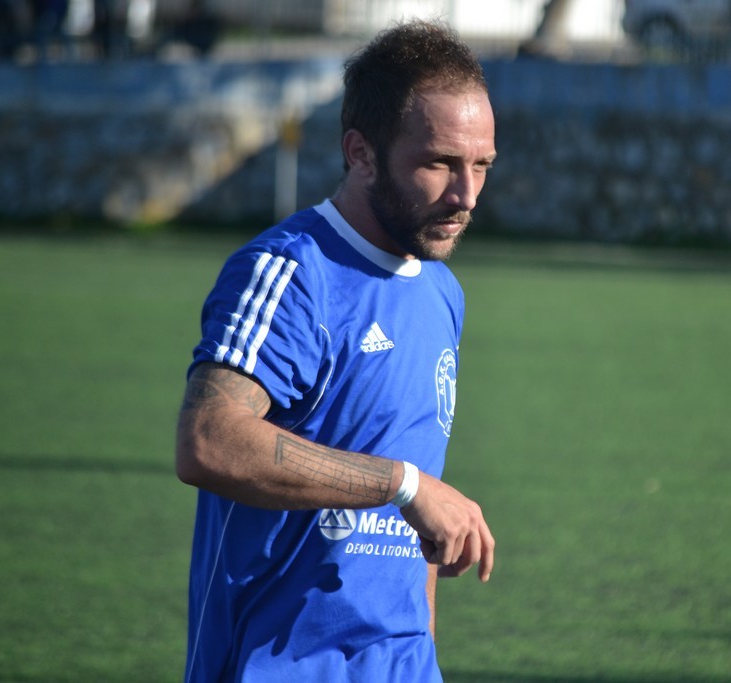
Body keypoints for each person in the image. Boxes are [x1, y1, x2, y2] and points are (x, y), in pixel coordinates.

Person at [175, 20, 497, 682]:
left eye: (481, 166)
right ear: (361, 152)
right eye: (438, 163)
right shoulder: (292, 274)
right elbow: (208, 440)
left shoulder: (442, 291)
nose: (465, 195)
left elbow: (417, 526)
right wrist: (402, 484)